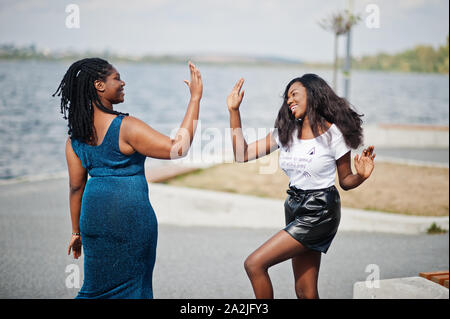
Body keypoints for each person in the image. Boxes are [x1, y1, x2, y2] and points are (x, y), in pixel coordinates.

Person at [53, 58, 203, 298]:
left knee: (94, 289)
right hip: (130, 219)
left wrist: (76, 232)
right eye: (116, 78)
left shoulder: (75, 138)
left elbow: (75, 187)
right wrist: (195, 99)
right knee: (135, 288)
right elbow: (178, 148)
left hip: (92, 218)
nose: (123, 83)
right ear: (99, 85)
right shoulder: (126, 127)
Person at [226, 74, 375, 299]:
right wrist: (234, 111)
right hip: (294, 206)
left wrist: (361, 176)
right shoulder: (286, 132)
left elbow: (345, 180)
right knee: (304, 291)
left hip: (320, 211)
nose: (289, 100)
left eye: (294, 94)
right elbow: (241, 153)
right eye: (287, 97)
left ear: (313, 95)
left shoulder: (334, 134)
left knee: (254, 264)